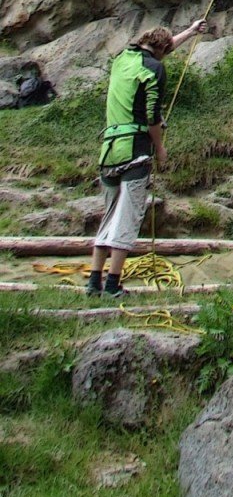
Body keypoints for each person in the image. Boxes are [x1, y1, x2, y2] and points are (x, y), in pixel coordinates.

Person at [87, 18, 205, 299]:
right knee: (127, 217)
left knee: (109, 215)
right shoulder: (155, 69)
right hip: (135, 150)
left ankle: (93, 283)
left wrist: (190, 31)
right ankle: (113, 285)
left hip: (109, 150)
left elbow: (158, 50)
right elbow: (153, 116)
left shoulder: (121, 59)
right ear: (161, 48)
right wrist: (160, 148)